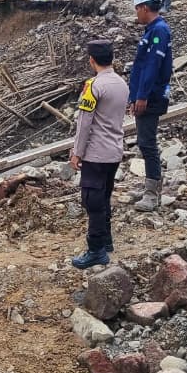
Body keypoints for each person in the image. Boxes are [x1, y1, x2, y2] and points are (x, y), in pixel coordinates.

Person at [69, 39, 129, 269]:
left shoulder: (93, 86)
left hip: (95, 153)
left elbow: (84, 123)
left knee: (92, 200)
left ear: (91, 60)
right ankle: (106, 239)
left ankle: (96, 250)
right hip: (114, 151)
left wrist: (77, 152)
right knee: (104, 196)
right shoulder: (122, 84)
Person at [128, 0, 173, 213]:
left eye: (137, 9)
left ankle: (152, 193)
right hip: (144, 95)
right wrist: (133, 96)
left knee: (147, 143)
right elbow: (140, 67)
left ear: (145, 7)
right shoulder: (151, 30)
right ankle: (149, 185)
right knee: (144, 142)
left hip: (152, 96)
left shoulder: (159, 31)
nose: (136, 13)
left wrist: (142, 96)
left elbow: (152, 67)